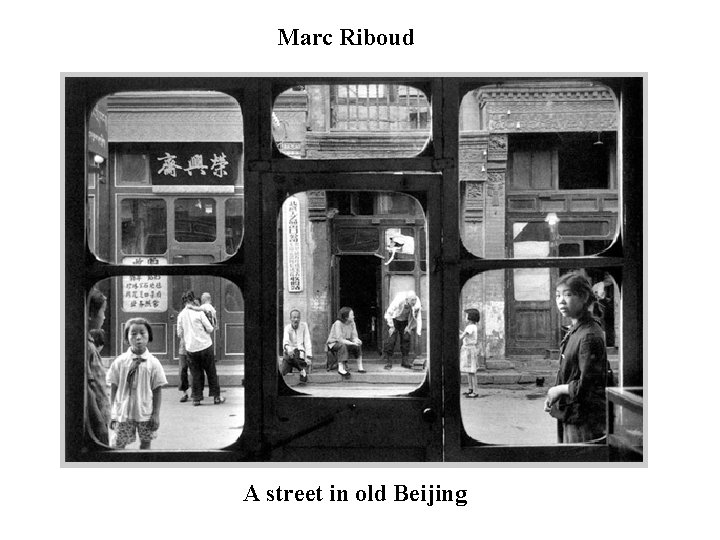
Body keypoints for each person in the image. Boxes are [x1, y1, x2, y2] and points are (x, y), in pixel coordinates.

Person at [544, 272, 610, 443]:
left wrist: (557, 390)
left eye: (568, 295)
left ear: (584, 297)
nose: (561, 301)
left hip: (583, 419)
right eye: (558, 295)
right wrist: (556, 397)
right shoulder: (577, 329)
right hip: (571, 413)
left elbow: (589, 384)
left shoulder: (588, 335)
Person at [107, 318, 167, 449]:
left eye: (142, 333)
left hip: (145, 412)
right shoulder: (120, 362)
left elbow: (157, 390)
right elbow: (114, 388)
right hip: (123, 412)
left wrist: (156, 414)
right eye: (133, 334)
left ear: (149, 336)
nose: (138, 337)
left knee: (146, 443)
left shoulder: (153, 363)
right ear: (127, 337)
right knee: (118, 444)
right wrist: (113, 413)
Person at [177, 291, 225, 406]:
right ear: (193, 300)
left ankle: (197, 398)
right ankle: (216, 397)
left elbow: (179, 333)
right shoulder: (199, 312)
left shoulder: (181, 316)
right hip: (205, 346)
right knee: (211, 371)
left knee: (195, 373)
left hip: (191, 349)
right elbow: (210, 329)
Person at [86, 288, 111, 445]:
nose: (104, 316)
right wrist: (100, 422)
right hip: (96, 418)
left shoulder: (88, 342)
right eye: (103, 311)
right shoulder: (87, 347)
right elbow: (88, 388)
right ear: (90, 315)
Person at [380, 291, 422, 370]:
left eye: (415, 299)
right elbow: (388, 313)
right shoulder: (399, 300)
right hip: (394, 320)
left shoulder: (417, 303)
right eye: (412, 300)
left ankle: (405, 362)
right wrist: (391, 326)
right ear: (407, 299)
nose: (414, 302)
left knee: (406, 339)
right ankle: (389, 362)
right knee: (391, 341)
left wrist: (409, 326)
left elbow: (416, 317)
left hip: (406, 321)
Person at [326, 306, 364, 378]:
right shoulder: (338, 323)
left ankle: (360, 367)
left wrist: (357, 341)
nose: (353, 316)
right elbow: (339, 339)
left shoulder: (352, 323)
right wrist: (352, 343)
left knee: (357, 345)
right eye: (351, 315)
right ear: (346, 317)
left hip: (346, 341)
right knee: (342, 345)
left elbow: (354, 336)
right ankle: (341, 369)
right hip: (334, 343)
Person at [281, 309, 313, 383]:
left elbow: (307, 341)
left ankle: (299, 366)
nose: (296, 320)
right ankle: (302, 368)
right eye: (294, 317)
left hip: (299, 352)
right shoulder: (287, 328)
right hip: (289, 353)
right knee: (283, 371)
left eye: (298, 317)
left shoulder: (304, 326)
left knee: (294, 353)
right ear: (290, 319)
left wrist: (309, 356)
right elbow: (285, 341)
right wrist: (288, 349)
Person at [459, 308, 480, 398]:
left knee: (472, 371)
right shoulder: (473, 326)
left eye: (466, 315)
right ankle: (471, 389)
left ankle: (474, 391)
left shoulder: (470, 327)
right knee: (469, 371)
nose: (465, 317)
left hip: (469, 350)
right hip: (469, 349)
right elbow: (464, 334)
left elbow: (463, 336)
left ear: (470, 317)